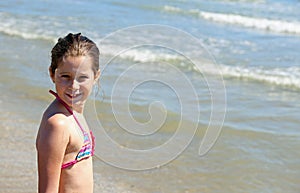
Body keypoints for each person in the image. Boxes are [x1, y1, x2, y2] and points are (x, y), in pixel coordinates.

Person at [36, 33, 100, 193]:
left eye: (82, 77)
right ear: (52, 74)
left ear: (96, 76)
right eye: (66, 76)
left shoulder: (73, 112)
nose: (74, 86)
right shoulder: (58, 124)